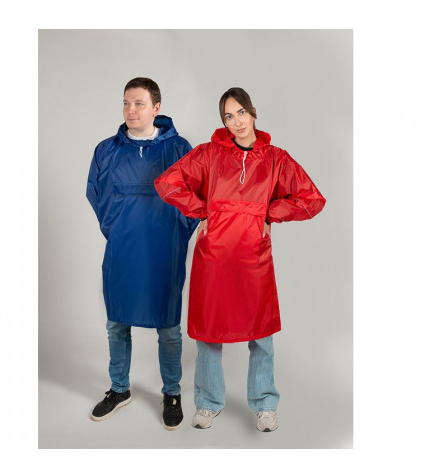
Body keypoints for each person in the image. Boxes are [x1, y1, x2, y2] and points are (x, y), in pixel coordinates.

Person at [154, 87, 326, 432]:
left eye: (241, 113)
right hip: (215, 255)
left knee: (261, 333)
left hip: (252, 256)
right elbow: (167, 183)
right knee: (209, 332)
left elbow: (312, 199)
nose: (237, 122)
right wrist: (203, 210)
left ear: (253, 111)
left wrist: (269, 213)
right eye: (228, 116)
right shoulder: (208, 155)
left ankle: (265, 404)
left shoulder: (276, 159)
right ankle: (207, 402)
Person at [86, 77, 199, 430]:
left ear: (156, 108)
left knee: (169, 327)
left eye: (138, 103)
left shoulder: (179, 149)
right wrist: (117, 228)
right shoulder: (107, 150)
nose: (130, 110)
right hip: (122, 249)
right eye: (126, 103)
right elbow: (96, 193)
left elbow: (196, 197)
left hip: (164, 250)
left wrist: (176, 233)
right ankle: (119, 389)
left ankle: (172, 393)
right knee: (116, 323)